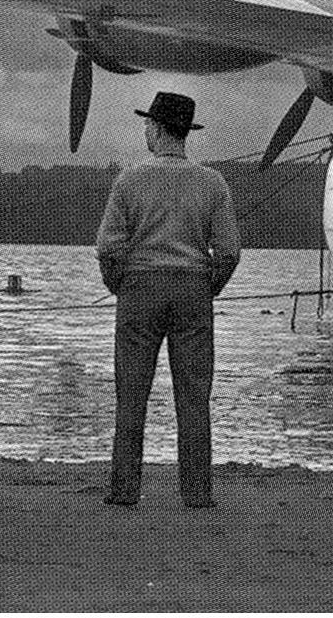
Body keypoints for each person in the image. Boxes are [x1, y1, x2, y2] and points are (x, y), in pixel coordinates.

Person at [97, 91, 240, 509]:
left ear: (157, 130)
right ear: (184, 132)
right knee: (194, 397)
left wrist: (118, 284)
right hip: (193, 290)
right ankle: (196, 493)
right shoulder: (212, 182)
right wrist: (208, 286)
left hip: (139, 290)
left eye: (147, 124)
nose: (144, 130)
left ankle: (124, 490)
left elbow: (108, 247)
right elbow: (228, 251)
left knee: (131, 394)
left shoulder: (129, 179)